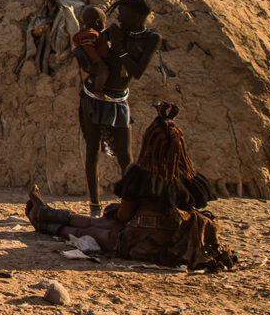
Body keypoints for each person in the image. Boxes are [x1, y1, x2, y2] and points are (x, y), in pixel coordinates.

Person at [28, 103, 238, 270]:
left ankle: (46, 220)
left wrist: (119, 212)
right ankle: (45, 213)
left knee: (95, 228)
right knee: (100, 225)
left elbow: (123, 217)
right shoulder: (191, 179)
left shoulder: (141, 174)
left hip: (140, 243)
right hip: (172, 240)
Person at [78, 0, 160, 212]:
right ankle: (94, 205)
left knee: (125, 154)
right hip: (94, 96)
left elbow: (137, 71)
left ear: (137, 16)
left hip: (119, 98)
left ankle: (129, 204)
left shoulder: (151, 39)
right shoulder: (115, 32)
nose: (119, 19)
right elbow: (86, 46)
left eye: (123, 15)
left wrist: (120, 47)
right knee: (92, 150)